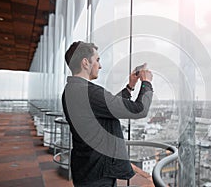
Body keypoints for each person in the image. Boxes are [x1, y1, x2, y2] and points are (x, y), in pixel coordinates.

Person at [61, 41, 153, 187]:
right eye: (97, 60)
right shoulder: (89, 92)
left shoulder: (70, 90)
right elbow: (139, 109)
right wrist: (146, 83)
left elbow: (106, 107)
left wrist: (130, 87)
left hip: (85, 167)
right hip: (99, 172)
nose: (100, 65)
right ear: (85, 63)